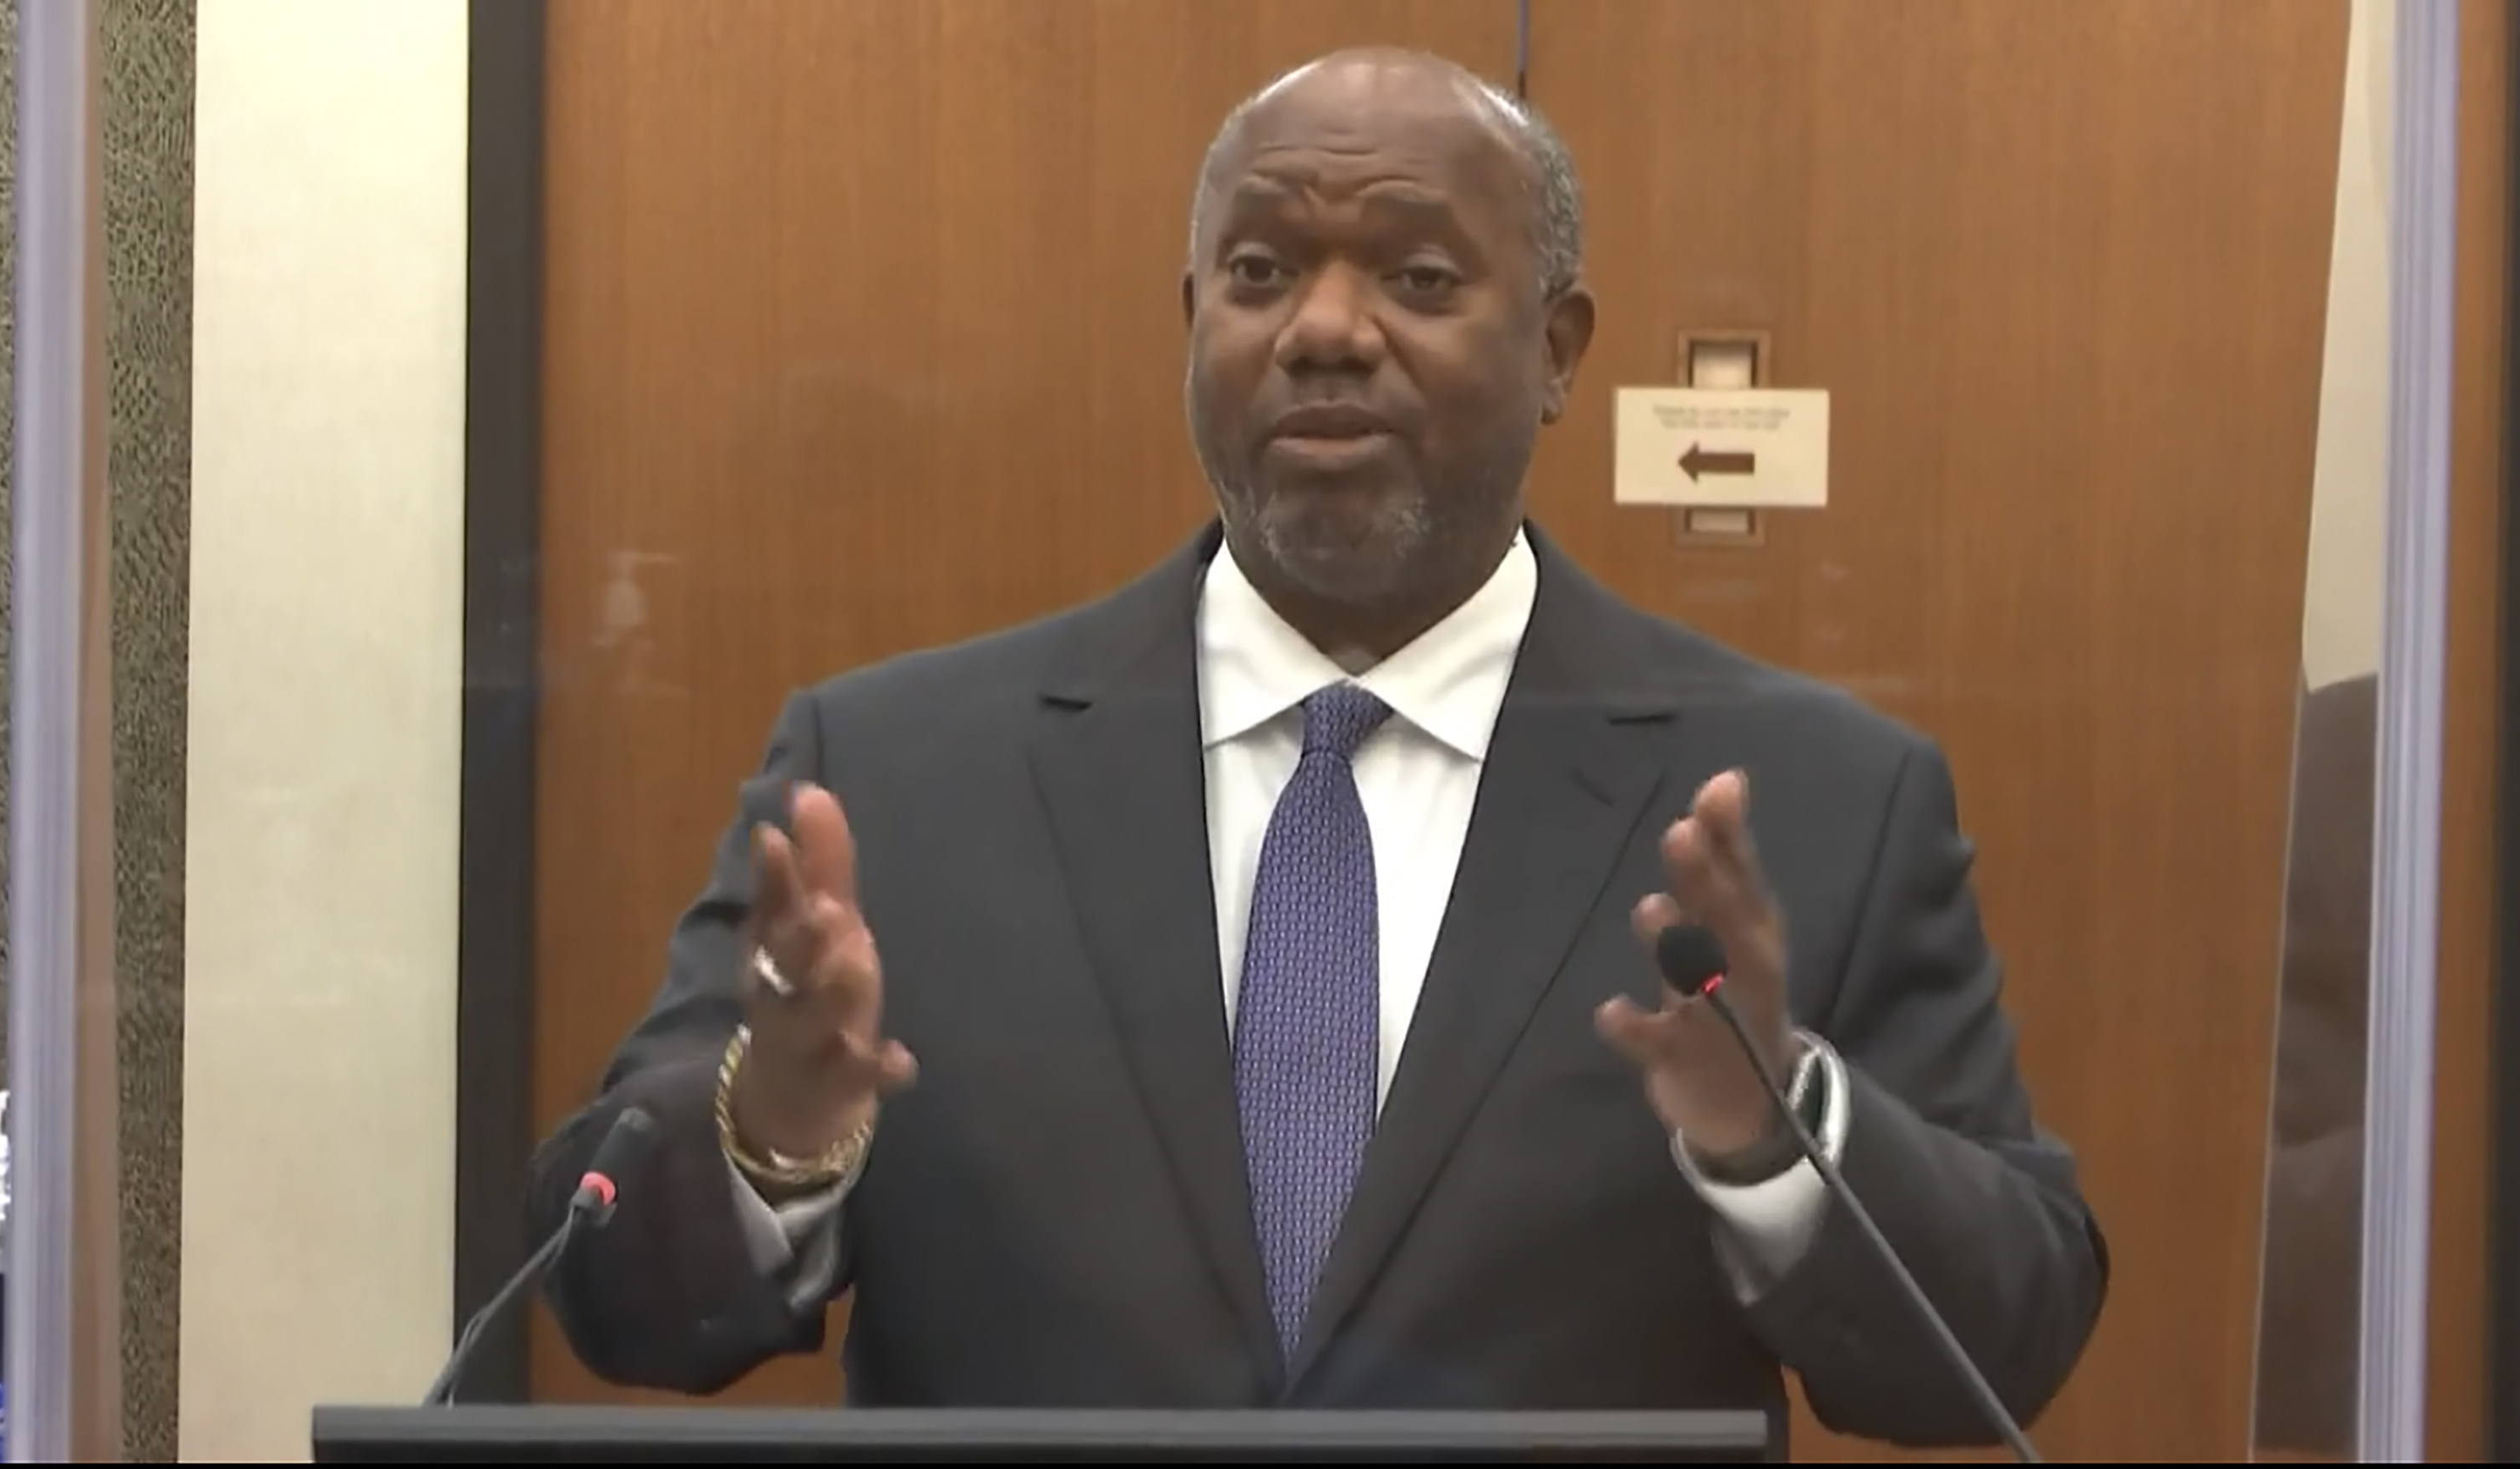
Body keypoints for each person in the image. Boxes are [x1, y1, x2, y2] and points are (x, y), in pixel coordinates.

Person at [530, 47, 2108, 1451]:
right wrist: (773, 1133)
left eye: (1419, 281)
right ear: (1194, 318)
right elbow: (606, 1295)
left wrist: (1779, 1137)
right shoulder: (891, 781)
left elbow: (2003, 1340)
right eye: (1264, 271)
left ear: (1560, 350)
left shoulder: (1814, 799)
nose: (1327, 332)